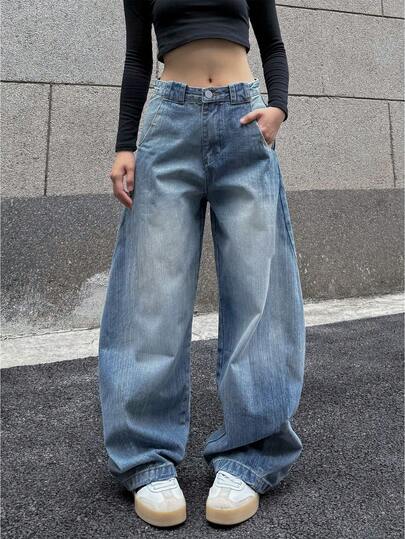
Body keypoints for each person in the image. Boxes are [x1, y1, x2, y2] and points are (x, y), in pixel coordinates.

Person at [98, 0, 306, 528]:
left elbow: (273, 45)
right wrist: (124, 146)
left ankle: (252, 453)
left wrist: (278, 108)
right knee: (152, 291)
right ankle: (146, 457)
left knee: (258, 290)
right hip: (169, 121)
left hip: (244, 119)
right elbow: (136, 59)